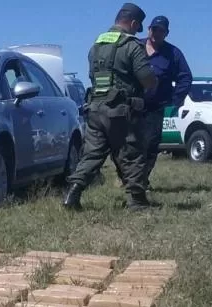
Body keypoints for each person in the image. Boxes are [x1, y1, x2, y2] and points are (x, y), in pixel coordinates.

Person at [63, 3, 159, 211]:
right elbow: (147, 79)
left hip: (96, 110)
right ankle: (137, 202)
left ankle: (73, 193)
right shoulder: (131, 46)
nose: (137, 31)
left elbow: (92, 77)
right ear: (133, 23)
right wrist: (153, 82)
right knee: (131, 154)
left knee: (92, 155)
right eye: (137, 26)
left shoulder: (96, 46)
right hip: (121, 112)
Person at [112, 15, 192, 189]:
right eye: (154, 29)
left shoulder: (173, 54)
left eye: (161, 30)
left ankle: (140, 180)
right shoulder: (135, 46)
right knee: (125, 145)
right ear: (148, 29)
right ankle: (126, 177)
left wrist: (175, 101)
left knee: (150, 145)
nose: (156, 33)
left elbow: (185, 78)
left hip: (155, 107)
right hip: (131, 106)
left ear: (166, 33)